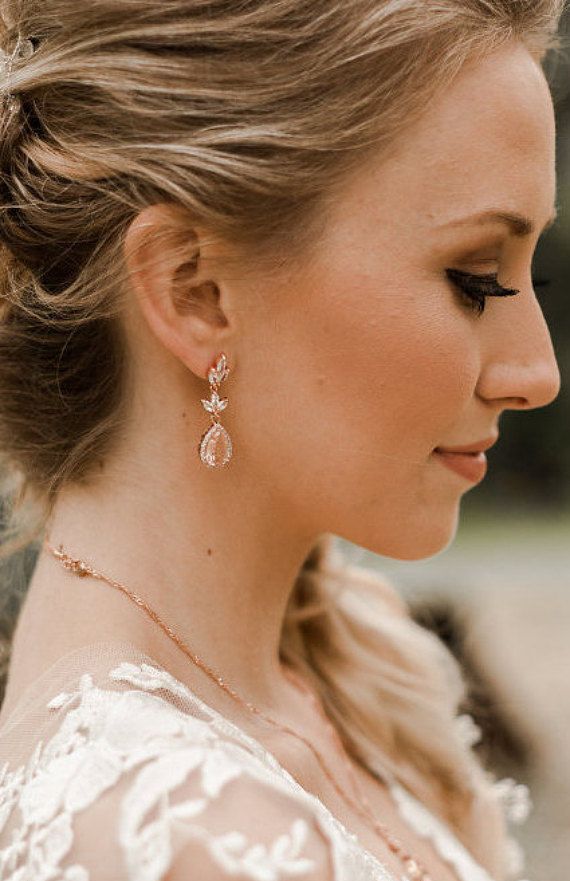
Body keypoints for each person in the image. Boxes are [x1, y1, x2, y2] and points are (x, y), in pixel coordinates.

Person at [0, 1, 564, 879]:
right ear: (197, 290)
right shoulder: (190, 838)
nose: (536, 372)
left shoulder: (342, 675)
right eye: (476, 279)